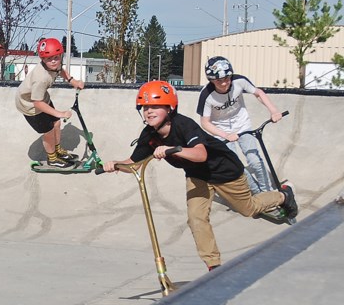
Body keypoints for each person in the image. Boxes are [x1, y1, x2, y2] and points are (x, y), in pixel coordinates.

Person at [101, 81, 298, 271]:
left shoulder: (184, 125)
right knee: (196, 218)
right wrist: (116, 165)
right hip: (197, 177)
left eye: (155, 106)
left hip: (224, 171)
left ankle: (284, 195)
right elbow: (134, 164)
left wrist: (173, 149)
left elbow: (200, 154)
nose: (149, 111)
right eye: (144, 107)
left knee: (249, 209)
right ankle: (214, 266)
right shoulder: (149, 135)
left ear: (169, 108)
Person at [197, 56, 285, 194]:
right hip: (221, 132)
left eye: (227, 78)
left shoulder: (239, 81)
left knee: (254, 160)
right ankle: (257, 194)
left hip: (242, 125)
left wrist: (273, 110)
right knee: (236, 166)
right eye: (219, 80)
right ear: (211, 80)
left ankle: (268, 192)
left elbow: (258, 93)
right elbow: (205, 122)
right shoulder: (207, 95)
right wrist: (225, 135)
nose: (225, 83)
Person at [15, 37, 85, 168]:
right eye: (48, 59)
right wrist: (60, 113)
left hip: (41, 98)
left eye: (56, 58)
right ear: (42, 59)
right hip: (29, 105)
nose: (53, 61)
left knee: (56, 123)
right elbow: (37, 103)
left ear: (61, 56)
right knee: (48, 131)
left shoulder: (54, 66)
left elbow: (61, 70)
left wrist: (72, 81)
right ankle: (52, 158)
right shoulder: (41, 78)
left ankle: (57, 150)